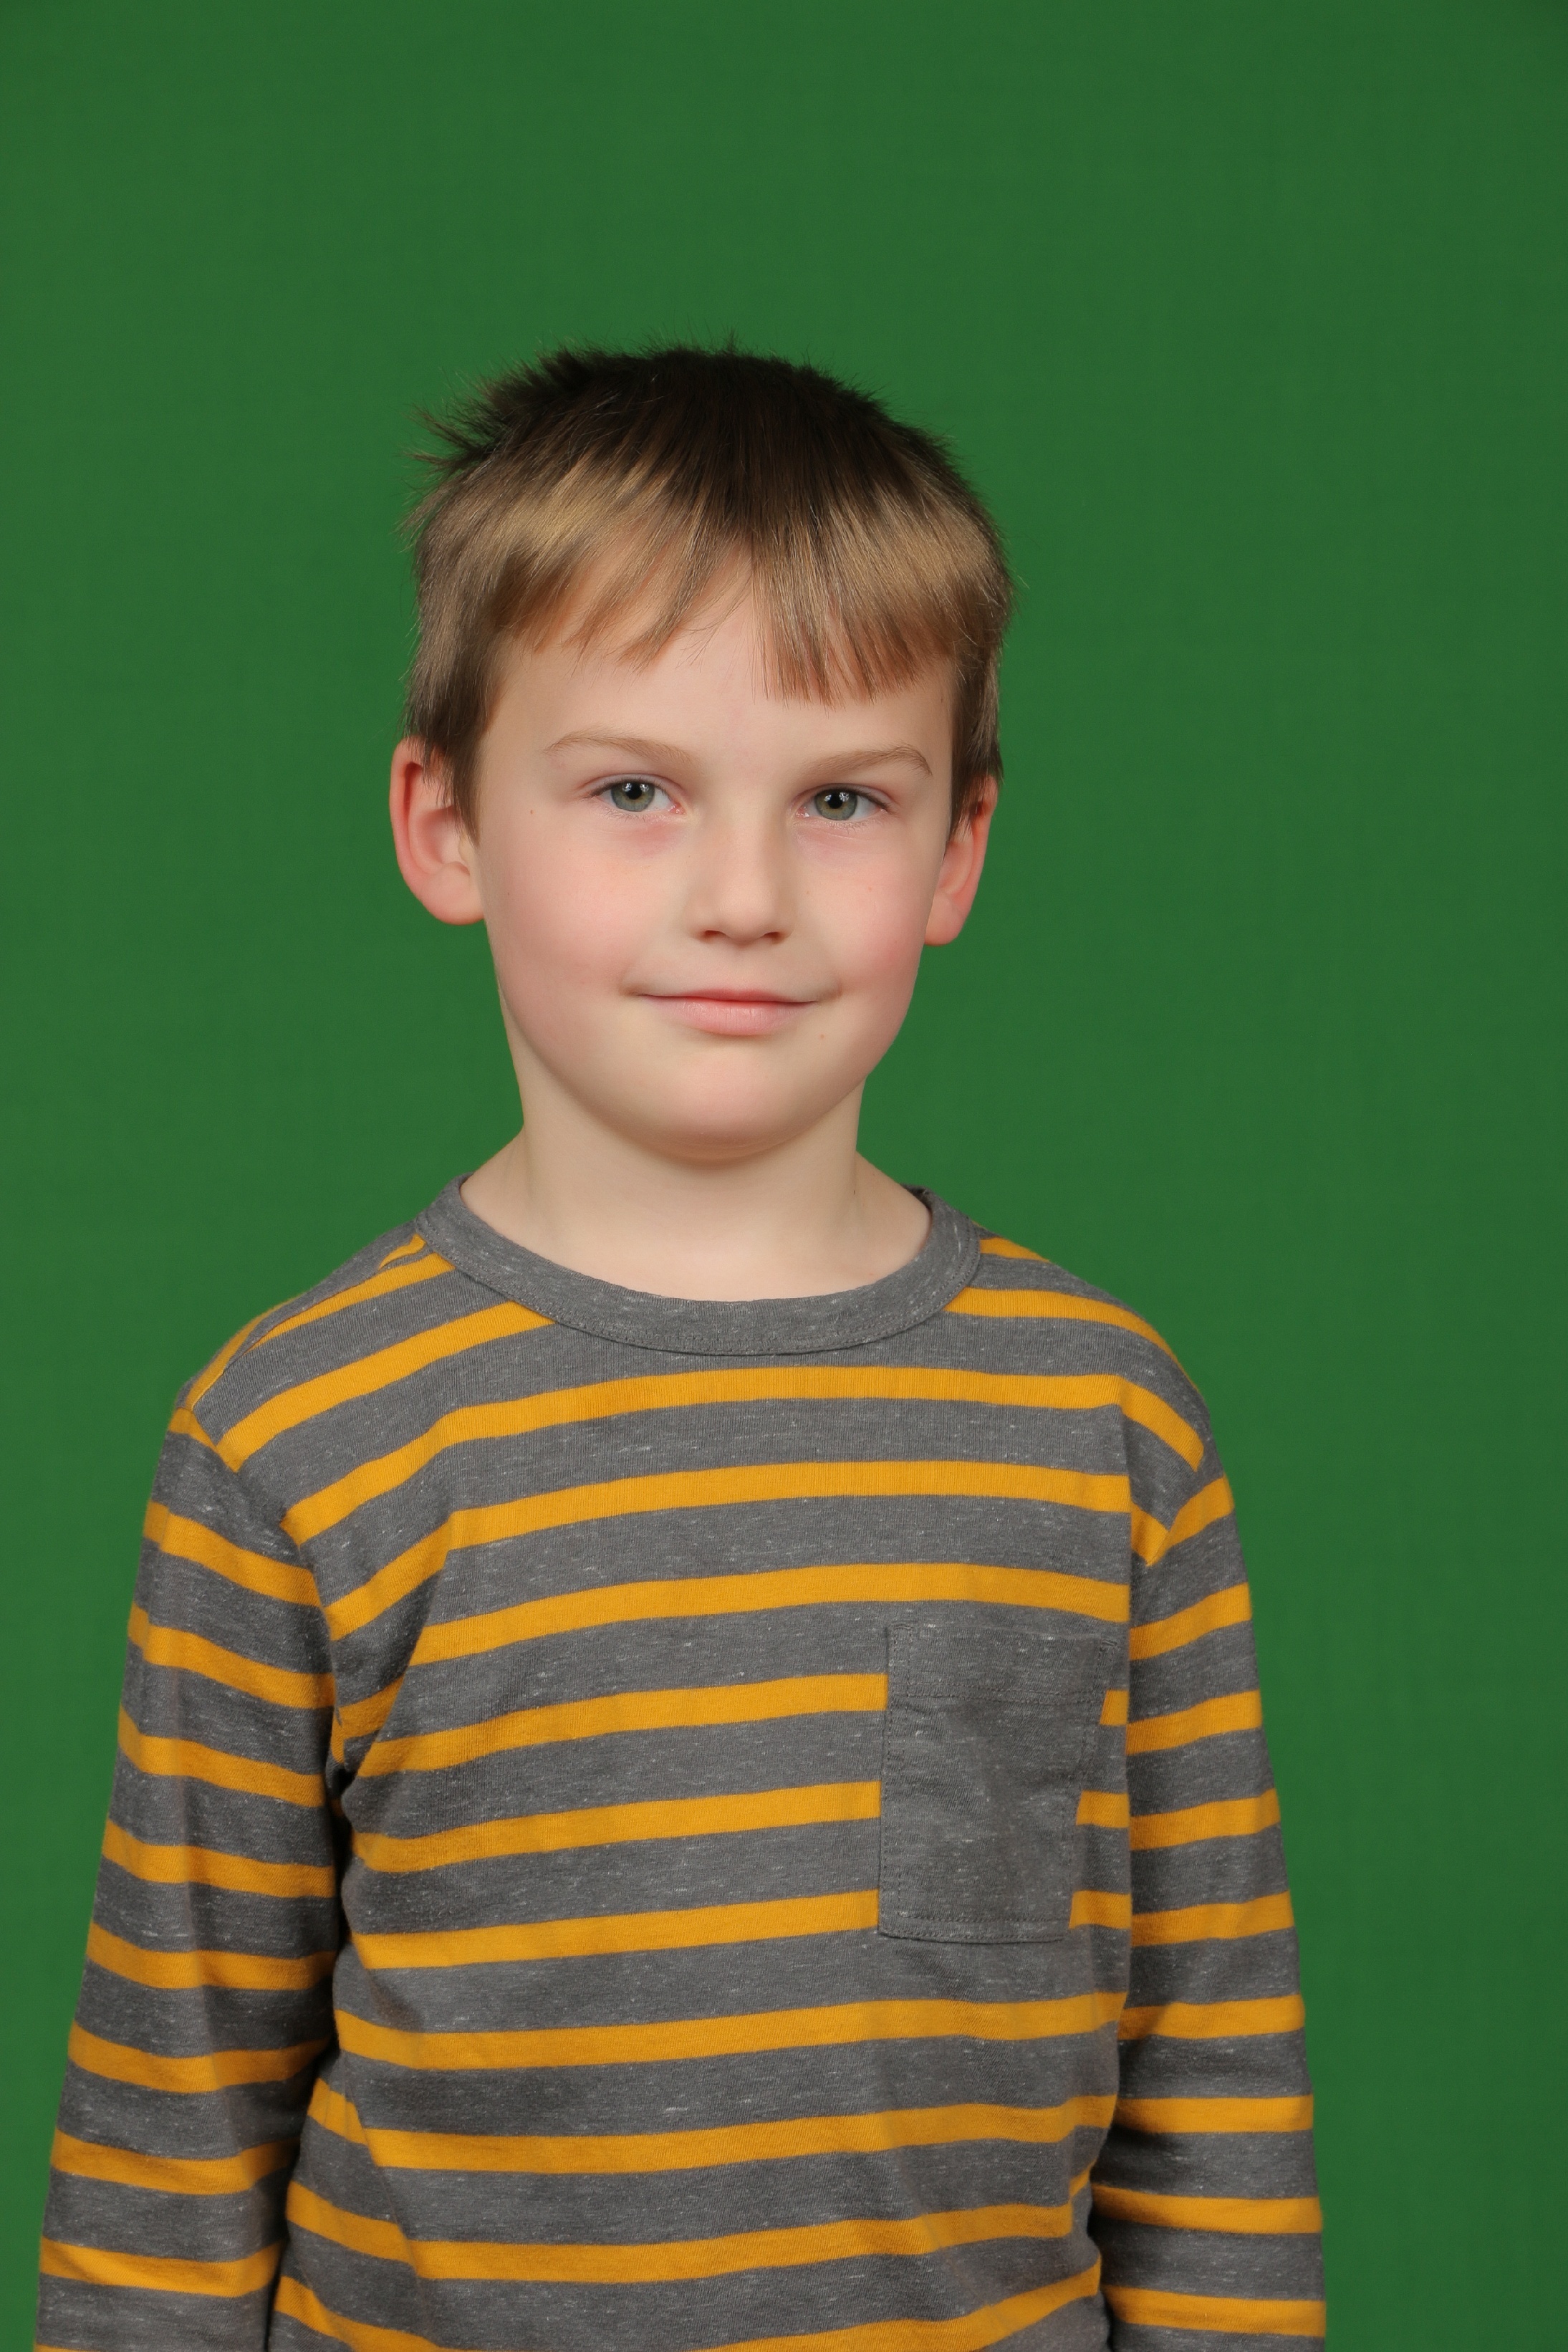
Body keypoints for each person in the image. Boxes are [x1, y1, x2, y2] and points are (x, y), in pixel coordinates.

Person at [37, 345, 1324, 2352]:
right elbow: (168, 2131)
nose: (743, 896)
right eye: (634, 790)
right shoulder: (296, 1434)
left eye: (842, 799)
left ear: (959, 850)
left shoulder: (1102, 1420)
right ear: (446, 824)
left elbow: (1215, 2087)